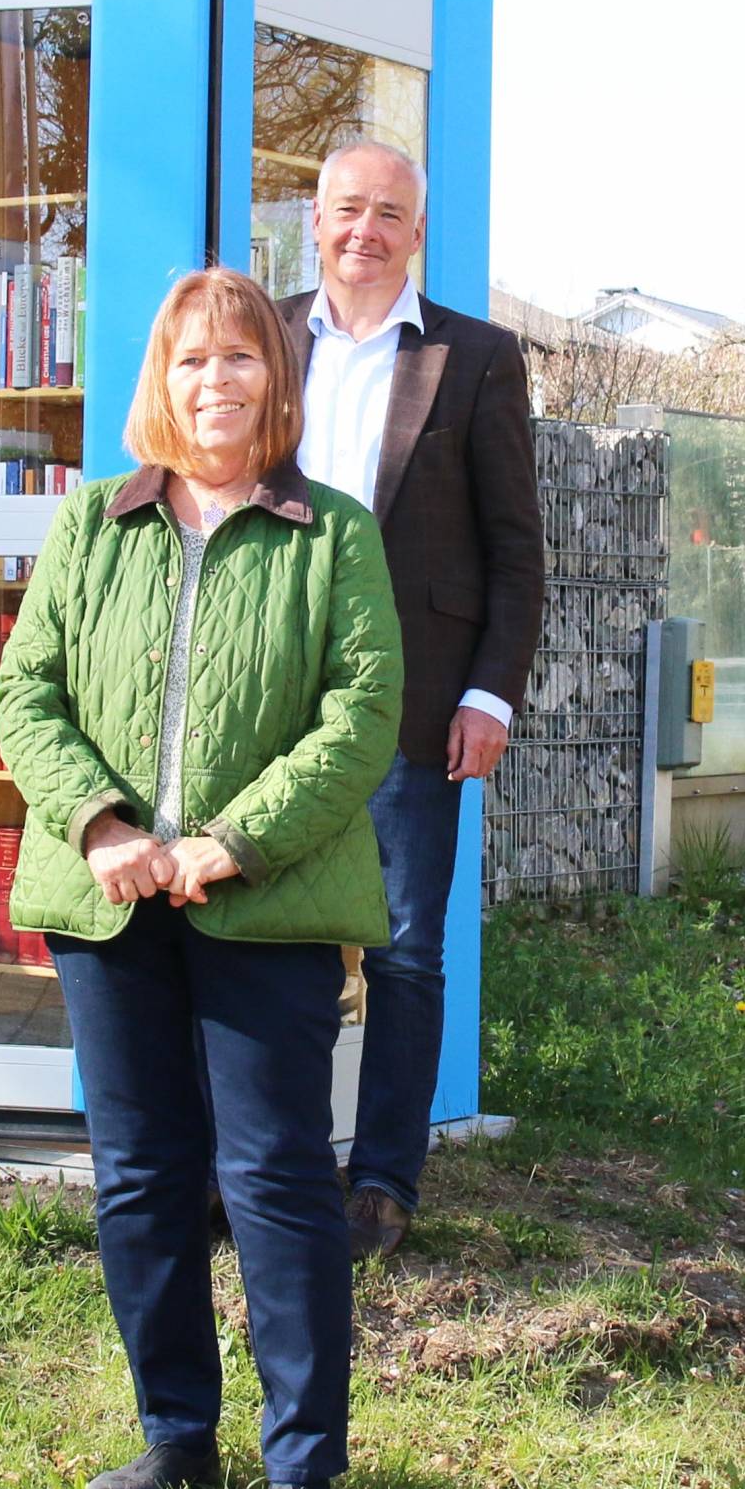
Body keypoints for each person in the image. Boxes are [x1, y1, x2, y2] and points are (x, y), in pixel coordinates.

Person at [0, 267, 400, 1489]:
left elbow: (362, 715)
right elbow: (27, 688)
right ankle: (176, 1435)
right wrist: (103, 825)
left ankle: (302, 1471)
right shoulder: (88, 525)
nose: (214, 382)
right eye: (189, 362)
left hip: (261, 901)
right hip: (109, 902)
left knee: (276, 1174)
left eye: (239, 359)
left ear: (275, 382)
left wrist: (235, 839)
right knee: (138, 1177)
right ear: (156, 385)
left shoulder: (334, 533)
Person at [275, 140, 544, 1261]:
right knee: (266, 941)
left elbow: (516, 550)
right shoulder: (264, 333)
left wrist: (490, 693)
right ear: (318, 220)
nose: (365, 229)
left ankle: (382, 1178)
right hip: (272, 693)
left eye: (390, 212)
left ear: (416, 232)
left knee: (404, 953)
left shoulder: (474, 357)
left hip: (416, 702)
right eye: (347, 207)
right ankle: (272, 1165)